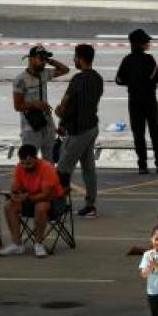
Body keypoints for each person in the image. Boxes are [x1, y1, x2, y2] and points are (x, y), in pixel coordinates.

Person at [55, 44, 103, 219]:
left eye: (75, 57)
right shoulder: (98, 79)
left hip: (78, 131)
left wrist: (60, 116)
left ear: (80, 58)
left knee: (62, 169)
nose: (73, 60)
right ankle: (90, 205)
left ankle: (59, 205)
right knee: (88, 168)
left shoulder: (77, 79)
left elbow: (65, 104)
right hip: (92, 127)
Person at [116, 28, 158, 175]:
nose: (148, 43)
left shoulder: (127, 60)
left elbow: (119, 80)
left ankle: (142, 166)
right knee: (154, 130)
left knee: (138, 133)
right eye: (146, 41)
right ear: (139, 44)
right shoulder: (149, 59)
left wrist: (132, 82)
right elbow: (156, 76)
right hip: (149, 100)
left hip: (134, 100)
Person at [0, 144, 63, 258]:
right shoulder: (20, 167)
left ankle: (38, 243)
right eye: (23, 163)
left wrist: (27, 197)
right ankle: (17, 244)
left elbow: (46, 194)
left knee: (40, 207)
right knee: (9, 206)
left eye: (28, 163)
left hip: (52, 201)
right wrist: (14, 195)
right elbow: (16, 187)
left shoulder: (46, 168)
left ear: (36, 158)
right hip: (30, 198)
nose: (25, 166)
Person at [12, 45, 69, 161]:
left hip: (47, 125)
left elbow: (65, 70)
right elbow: (17, 106)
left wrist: (49, 60)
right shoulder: (20, 80)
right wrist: (34, 104)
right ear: (31, 59)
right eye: (40, 58)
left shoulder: (44, 74)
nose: (43, 62)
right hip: (31, 127)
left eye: (45, 59)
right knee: (29, 160)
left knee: (49, 161)